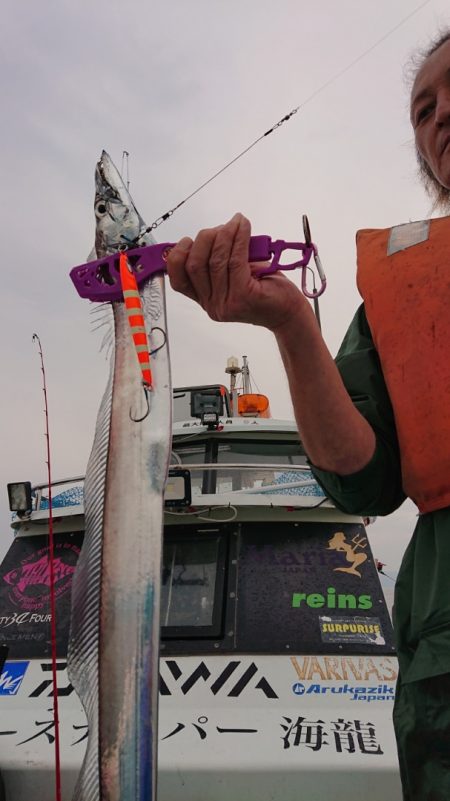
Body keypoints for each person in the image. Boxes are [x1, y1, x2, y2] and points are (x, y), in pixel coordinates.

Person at [167, 31, 450, 801]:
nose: (441, 114)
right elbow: (365, 482)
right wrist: (292, 321)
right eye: (424, 109)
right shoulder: (399, 294)